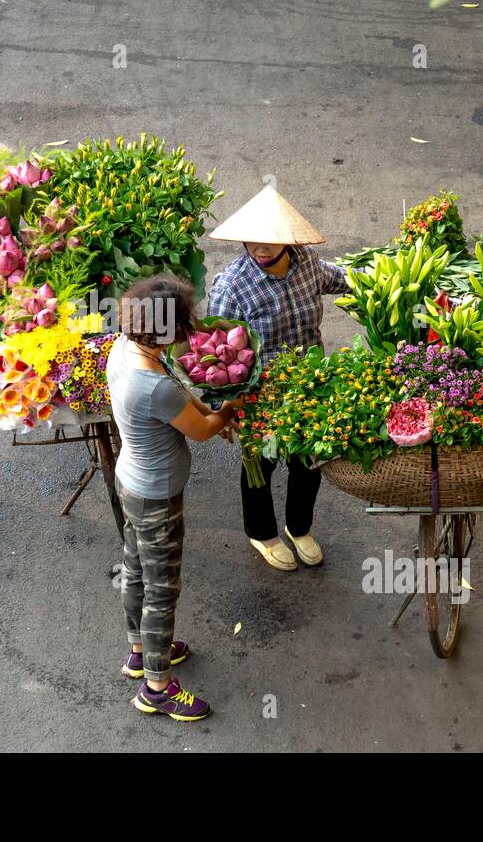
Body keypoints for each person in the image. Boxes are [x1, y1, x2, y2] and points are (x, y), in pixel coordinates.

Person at [107, 275, 239, 721]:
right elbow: (201, 432)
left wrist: (211, 407)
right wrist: (230, 411)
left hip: (130, 480)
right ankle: (157, 688)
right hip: (156, 498)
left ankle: (140, 653)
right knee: (162, 590)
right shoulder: (152, 384)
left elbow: (181, 395)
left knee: (136, 570)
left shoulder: (125, 348)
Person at [206, 185, 349, 571]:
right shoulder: (233, 284)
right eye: (253, 240)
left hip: (310, 381)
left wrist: (384, 283)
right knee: (261, 463)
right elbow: (214, 350)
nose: (260, 248)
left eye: (270, 240)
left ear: (287, 240)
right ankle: (263, 534)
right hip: (259, 390)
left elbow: (341, 279)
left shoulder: (308, 263)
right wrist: (221, 405)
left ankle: (298, 527)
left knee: (309, 458)